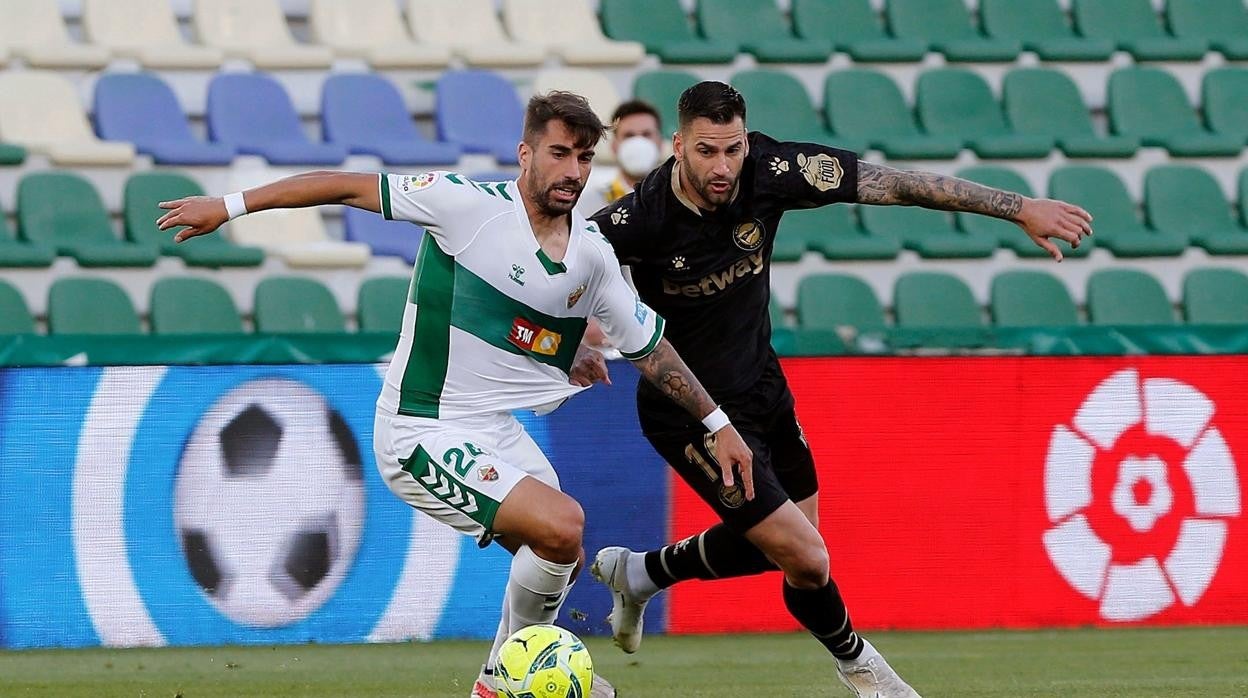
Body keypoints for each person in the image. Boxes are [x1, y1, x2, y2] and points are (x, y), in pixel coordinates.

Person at [156, 91, 753, 698]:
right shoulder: (464, 205)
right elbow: (342, 186)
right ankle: (504, 683)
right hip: (421, 426)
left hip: (491, 425)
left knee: (565, 553)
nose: (573, 170)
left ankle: (505, 674)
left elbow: (648, 349)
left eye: (583, 156)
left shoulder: (592, 257)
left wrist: (718, 424)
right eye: (559, 153)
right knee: (561, 524)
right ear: (525, 154)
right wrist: (227, 207)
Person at [576, 81, 1093, 698]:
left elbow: (895, 184)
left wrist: (1017, 208)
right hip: (687, 408)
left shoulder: (772, 170)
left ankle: (640, 572)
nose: (723, 167)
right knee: (809, 559)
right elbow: (561, 273)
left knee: (789, 549)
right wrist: (575, 339)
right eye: (708, 151)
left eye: (733, 149)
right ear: (679, 144)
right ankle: (863, 670)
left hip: (761, 386)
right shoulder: (641, 219)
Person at [576, 99, 665, 218]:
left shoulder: (679, 202)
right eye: (629, 136)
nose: (638, 143)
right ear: (614, 146)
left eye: (646, 134)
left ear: (660, 143)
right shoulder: (589, 204)